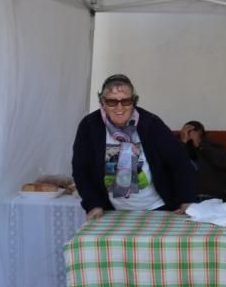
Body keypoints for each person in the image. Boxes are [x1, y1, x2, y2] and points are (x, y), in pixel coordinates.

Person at [72, 74, 196, 219]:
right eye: (112, 102)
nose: (119, 108)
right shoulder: (89, 126)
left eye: (126, 101)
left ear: (134, 102)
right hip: (111, 211)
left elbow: (179, 161)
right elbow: (81, 170)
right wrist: (93, 204)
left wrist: (187, 199)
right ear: (102, 103)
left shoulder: (150, 123)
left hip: (158, 207)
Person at [179, 120, 226, 201]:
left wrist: (198, 144)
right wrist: (183, 142)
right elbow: (172, 163)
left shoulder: (213, 146)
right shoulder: (179, 147)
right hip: (187, 197)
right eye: (187, 132)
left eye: (193, 132)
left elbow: (224, 163)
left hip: (213, 196)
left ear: (200, 133)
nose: (190, 134)